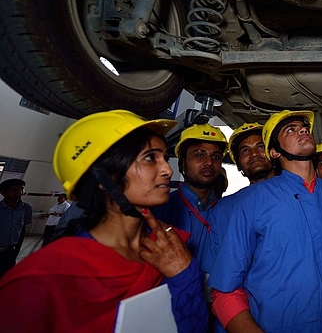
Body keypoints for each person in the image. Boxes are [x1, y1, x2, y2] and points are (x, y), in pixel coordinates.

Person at [0, 110, 208, 333]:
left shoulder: (169, 248)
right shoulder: (42, 279)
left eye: (165, 158)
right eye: (150, 158)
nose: (168, 170)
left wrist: (184, 274)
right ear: (104, 178)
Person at [209, 110, 322, 333]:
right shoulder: (253, 200)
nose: (303, 130)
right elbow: (225, 290)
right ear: (274, 152)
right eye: (290, 129)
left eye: (304, 127)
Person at [153, 122, 228, 323]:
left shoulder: (229, 211)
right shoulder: (160, 210)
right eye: (199, 154)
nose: (209, 162)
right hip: (170, 311)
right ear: (182, 164)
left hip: (218, 310)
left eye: (216, 156)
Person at [0, 179, 32, 278]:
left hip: (11, 251)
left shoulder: (26, 208)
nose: (19, 192)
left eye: (21, 189)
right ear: (3, 193)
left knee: (6, 277)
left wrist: (17, 249)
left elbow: (22, 229)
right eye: (14, 190)